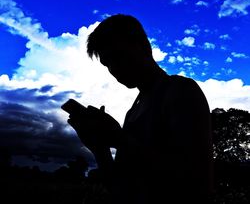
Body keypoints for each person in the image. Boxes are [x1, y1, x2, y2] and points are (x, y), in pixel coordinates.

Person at [67, 14, 214, 204]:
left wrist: (119, 139)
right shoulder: (133, 112)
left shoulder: (180, 90)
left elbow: (196, 179)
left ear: (144, 46)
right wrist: (99, 147)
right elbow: (121, 189)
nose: (114, 68)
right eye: (107, 63)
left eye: (118, 56)